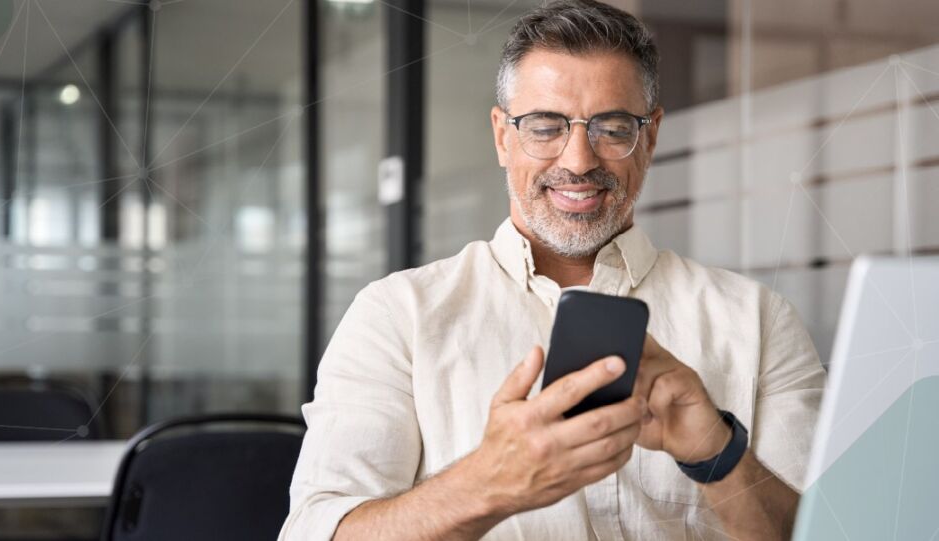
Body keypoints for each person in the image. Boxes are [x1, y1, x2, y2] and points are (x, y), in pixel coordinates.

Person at [279, 1, 826, 539]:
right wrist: (488, 483)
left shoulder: (757, 319)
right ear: (502, 136)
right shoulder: (398, 315)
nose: (578, 160)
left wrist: (718, 456)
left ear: (651, 137)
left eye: (612, 128)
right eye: (545, 126)